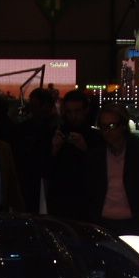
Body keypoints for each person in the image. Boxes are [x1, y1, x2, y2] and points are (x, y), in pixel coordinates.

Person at [84, 103, 139, 237]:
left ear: (123, 126)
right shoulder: (95, 155)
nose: (107, 131)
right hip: (102, 222)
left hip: (133, 222)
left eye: (112, 126)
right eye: (103, 127)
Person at [45, 89, 102, 221]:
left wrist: (85, 149)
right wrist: (54, 149)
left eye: (77, 111)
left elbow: (100, 171)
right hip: (60, 202)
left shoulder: (95, 137)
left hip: (86, 202)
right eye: (69, 112)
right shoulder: (56, 134)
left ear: (86, 110)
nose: (73, 116)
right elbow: (45, 171)